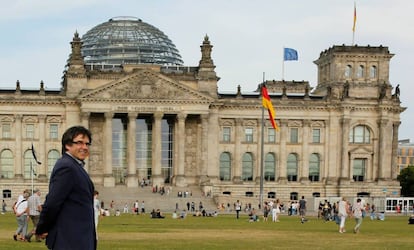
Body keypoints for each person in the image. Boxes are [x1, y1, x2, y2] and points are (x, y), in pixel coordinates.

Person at [35, 126, 97, 250]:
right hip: (70, 240)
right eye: (79, 142)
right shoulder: (67, 167)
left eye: (87, 144)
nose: (84, 147)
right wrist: (42, 228)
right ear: (67, 145)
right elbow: (53, 203)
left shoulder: (76, 167)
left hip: (78, 239)